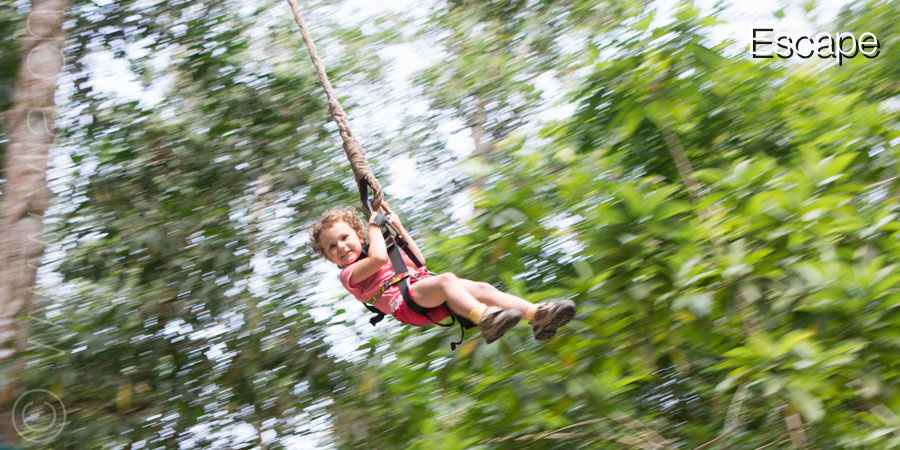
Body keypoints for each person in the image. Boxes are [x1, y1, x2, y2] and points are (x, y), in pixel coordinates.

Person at [309, 205, 576, 344]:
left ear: (358, 236)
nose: (340, 247)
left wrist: (397, 226)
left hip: (422, 290)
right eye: (332, 247)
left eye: (344, 238)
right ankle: (485, 319)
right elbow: (377, 258)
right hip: (405, 303)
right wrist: (374, 226)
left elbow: (417, 261)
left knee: (483, 289)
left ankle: (537, 315)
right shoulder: (349, 275)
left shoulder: (381, 248)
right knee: (448, 279)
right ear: (329, 258)